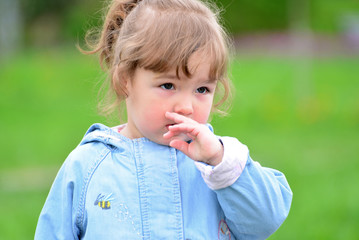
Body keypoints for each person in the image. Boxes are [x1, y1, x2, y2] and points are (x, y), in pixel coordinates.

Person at [35, 0, 292, 239]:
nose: (186, 107)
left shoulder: (218, 165)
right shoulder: (88, 167)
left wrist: (221, 162)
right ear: (125, 80)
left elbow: (264, 222)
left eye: (202, 89)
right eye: (168, 85)